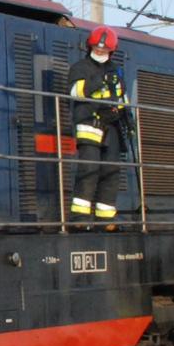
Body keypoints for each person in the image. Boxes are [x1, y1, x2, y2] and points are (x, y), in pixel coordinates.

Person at [67, 25, 129, 222]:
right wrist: (99, 80)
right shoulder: (80, 67)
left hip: (112, 127)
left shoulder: (116, 71)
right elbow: (76, 92)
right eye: (97, 48)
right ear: (90, 47)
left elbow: (122, 97)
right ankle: (80, 216)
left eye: (104, 49)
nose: (100, 51)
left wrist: (128, 119)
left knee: (111, 172)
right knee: (89, 169)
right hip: (89, 125)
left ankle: (106, 218)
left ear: (112, 51)